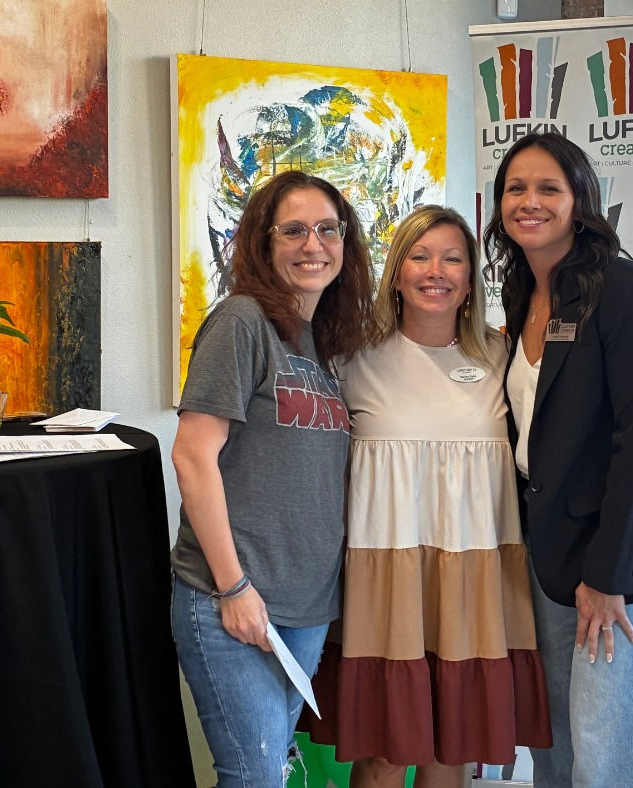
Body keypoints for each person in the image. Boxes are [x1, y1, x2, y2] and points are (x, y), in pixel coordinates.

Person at [484, 132, 633, 787]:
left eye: (548, 187)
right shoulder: (525, 293)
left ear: (581, 199)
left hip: (629, 566)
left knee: (612, 758)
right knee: (558, 750)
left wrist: (609, 576)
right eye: (515, 188)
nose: (529, 201)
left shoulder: (622, 291)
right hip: (557, 559)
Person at [308, 205, 551, 788]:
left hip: (477, 574)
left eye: (452, 258)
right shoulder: (349, 359)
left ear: (470, 278)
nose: (434, 270)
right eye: (419, 256)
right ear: (396, 272)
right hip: (382, 577)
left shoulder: (503, 358)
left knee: (455, 745)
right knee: (386, 751)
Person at [170, 170, 375, 787]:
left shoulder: (323, 342)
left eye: (327, 230)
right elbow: (192, 456)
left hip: (305, 608)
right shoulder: (241, 322)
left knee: (274, 767)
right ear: (263, 243)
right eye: (293, 231)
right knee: (254, 771)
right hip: (230, 595)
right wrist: (233, 589)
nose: (313, 244)